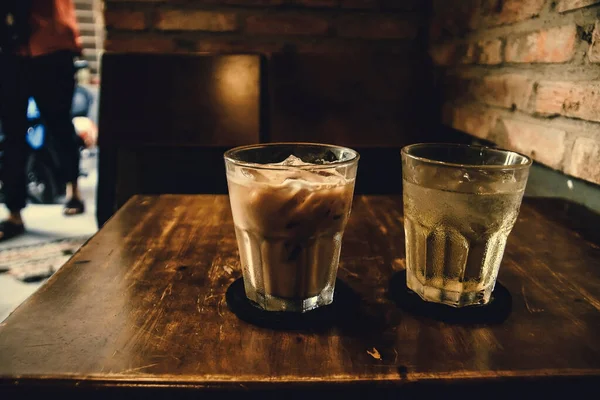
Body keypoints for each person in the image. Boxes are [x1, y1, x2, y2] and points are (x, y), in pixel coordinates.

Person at [0, 0, 84, 242]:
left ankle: (73, 189)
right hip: (11, 52)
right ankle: (14, 212)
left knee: (59, 125)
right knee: (11, 135)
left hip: (51, 49)